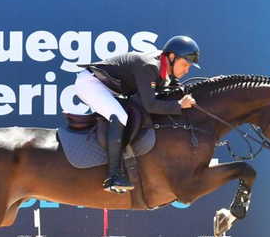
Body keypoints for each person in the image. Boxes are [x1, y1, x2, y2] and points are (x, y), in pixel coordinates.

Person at [75, 36, 200, 193]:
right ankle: (113, 177)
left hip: (109, 87)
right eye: (185, 65)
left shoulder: (162, 66)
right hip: (90, 84)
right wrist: (179, 105)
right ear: (172, 57)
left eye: (189, 66)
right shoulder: (149, 66)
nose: (186, 70)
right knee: (120, 116)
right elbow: (150, 105)